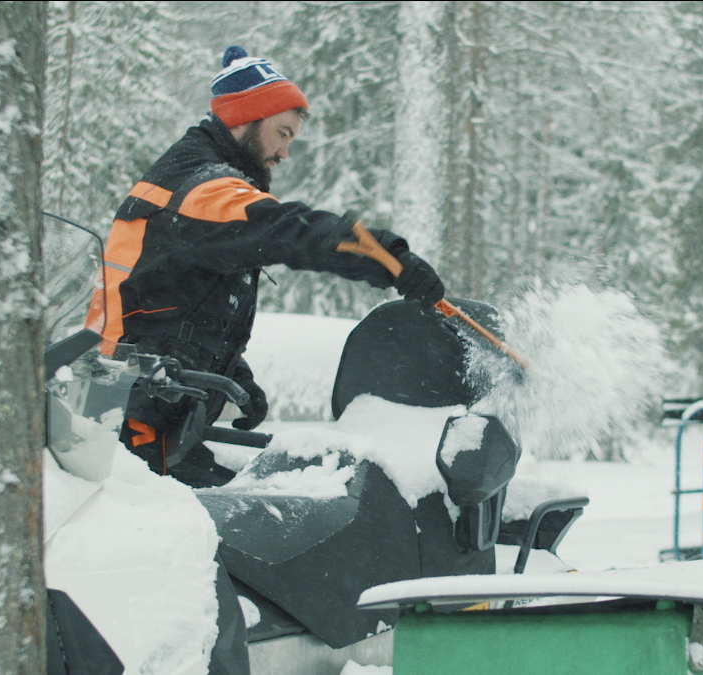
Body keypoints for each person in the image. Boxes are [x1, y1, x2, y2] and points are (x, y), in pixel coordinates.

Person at [85, 45, 445, 486]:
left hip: (150, 400)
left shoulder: (195, 182)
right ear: (244, 119)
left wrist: (232, 374)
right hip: (132, 410)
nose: (284, 152)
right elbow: (291, 231)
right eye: (282, 133)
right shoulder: (205, 191)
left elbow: (169, 297)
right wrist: (388, 258)